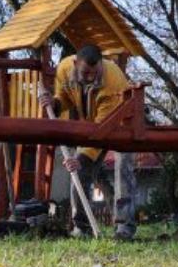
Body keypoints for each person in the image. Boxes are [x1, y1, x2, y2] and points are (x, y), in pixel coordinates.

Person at [36, 44, 139, 239]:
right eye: (85, 73)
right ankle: (82, 229)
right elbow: (64, 98)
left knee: (123, 169)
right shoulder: (64, 69)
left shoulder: (112, 81)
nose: (91, 77)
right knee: (80, 172)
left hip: (121, 125)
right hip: (93, 125)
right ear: (75, 64)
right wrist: (54, 104)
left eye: (95, 72)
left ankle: (124, 228)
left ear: (101, 65)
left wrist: (82, 158)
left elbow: (102, 129)